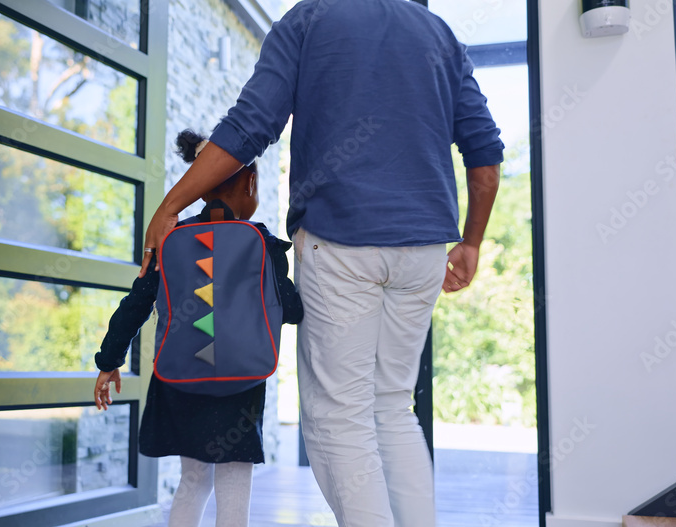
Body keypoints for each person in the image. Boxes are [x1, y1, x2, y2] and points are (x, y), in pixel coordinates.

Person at [137, 1, 503, 526]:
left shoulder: (309, 20)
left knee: (340, 422)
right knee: (393, 409)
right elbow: (485, 157)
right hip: (424, 249)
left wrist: (171, 205)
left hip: (341, 239)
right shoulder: (437, 32)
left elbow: (249, 129)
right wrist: (471, 242)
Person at [93, 130, 303, 527]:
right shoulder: (263, 243)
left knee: (192, 479)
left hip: (181, 379)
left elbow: (135, 305)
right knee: (234, 477)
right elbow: (291, 310)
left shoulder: (170, 241)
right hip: (240, 381)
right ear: (252, 183)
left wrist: (109, 361)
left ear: (201, 188)